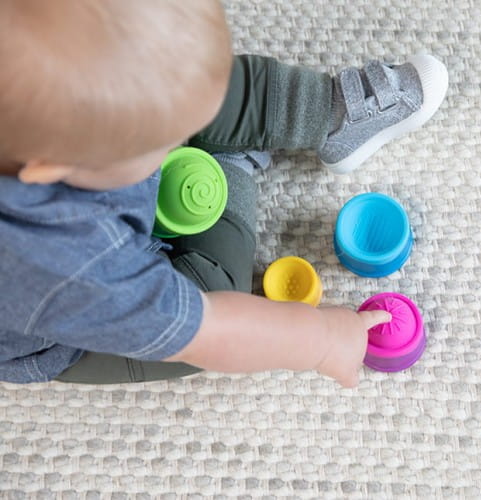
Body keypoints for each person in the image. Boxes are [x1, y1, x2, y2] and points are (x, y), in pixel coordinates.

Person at [0, 0, 447, 387]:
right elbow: (213, 331)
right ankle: (231, 163)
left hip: (87, 151)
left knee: (186, 76)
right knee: (214, 305)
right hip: (75, 331)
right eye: (159, 143)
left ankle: (327, 114)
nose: (173, 145)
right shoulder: (69, 269)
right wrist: (323, 339)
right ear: (51, 168)